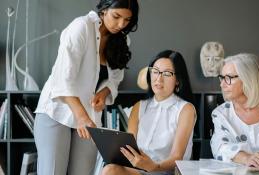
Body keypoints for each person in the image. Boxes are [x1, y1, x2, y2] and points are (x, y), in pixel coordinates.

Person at [33, 0, 139, 174]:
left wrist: (104, 93)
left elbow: (115, 78)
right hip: (57, 111)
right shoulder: (81, 27)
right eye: (116, 16)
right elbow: (62, 79)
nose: (121, 24)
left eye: (127, 20)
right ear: (104, 9)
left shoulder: (123, 40)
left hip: (89, 117)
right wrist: (81, 117)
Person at [101, 50, 196, 175]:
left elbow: (177, 157)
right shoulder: (139, 107)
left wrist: (154, 166)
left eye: (167, 73)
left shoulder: (186, 109)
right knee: (110, 169)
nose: (159, 78)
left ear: (177, 79)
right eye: (155, 71)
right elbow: (129, 148)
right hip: (139, 171)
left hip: (167, 172)